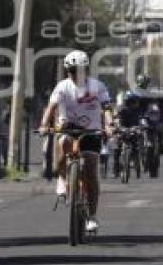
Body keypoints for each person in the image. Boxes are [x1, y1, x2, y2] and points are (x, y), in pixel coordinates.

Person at [39, 50, 113, 233]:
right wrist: (43, 125)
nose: (76, 74)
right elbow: (51, 108)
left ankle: (93, 216)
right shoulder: (62, 87)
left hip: (92, 130)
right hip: (68, 127)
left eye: (79, 70)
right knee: (62, 147)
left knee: (91, 170)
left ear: (86, 70)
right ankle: (62, 178)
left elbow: (106, 108)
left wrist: (110, 125)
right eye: (72, 70)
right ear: (67, 71)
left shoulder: (97, 86)